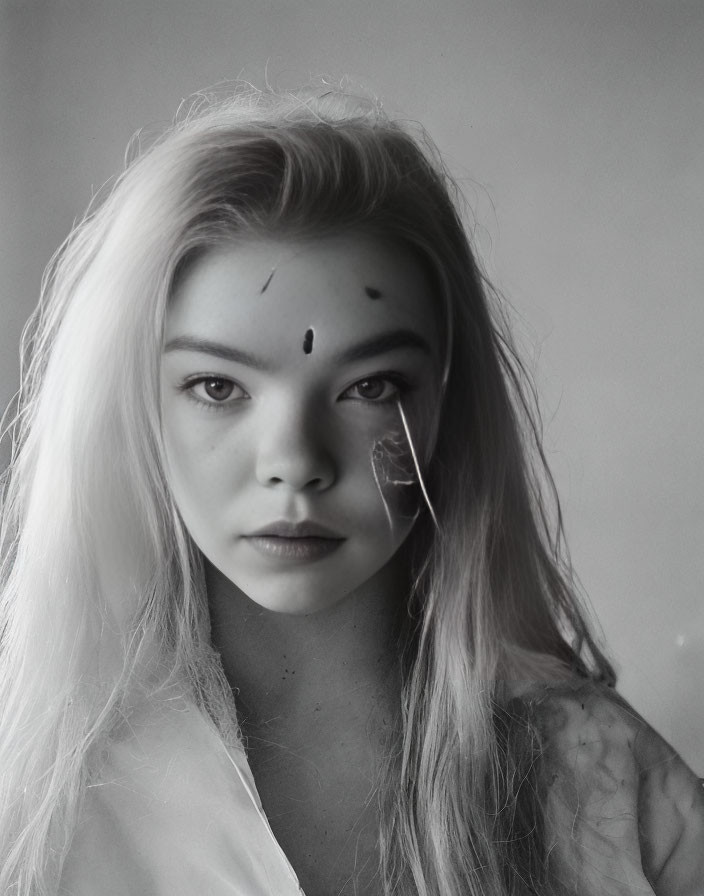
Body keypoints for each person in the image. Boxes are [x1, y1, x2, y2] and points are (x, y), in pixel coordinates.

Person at [0, 83, 702, 896]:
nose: (295, 461)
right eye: (218, 387)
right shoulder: (33, 781)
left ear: (446, 401)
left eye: (370, 387)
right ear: (132, 409)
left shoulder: (596, 780)